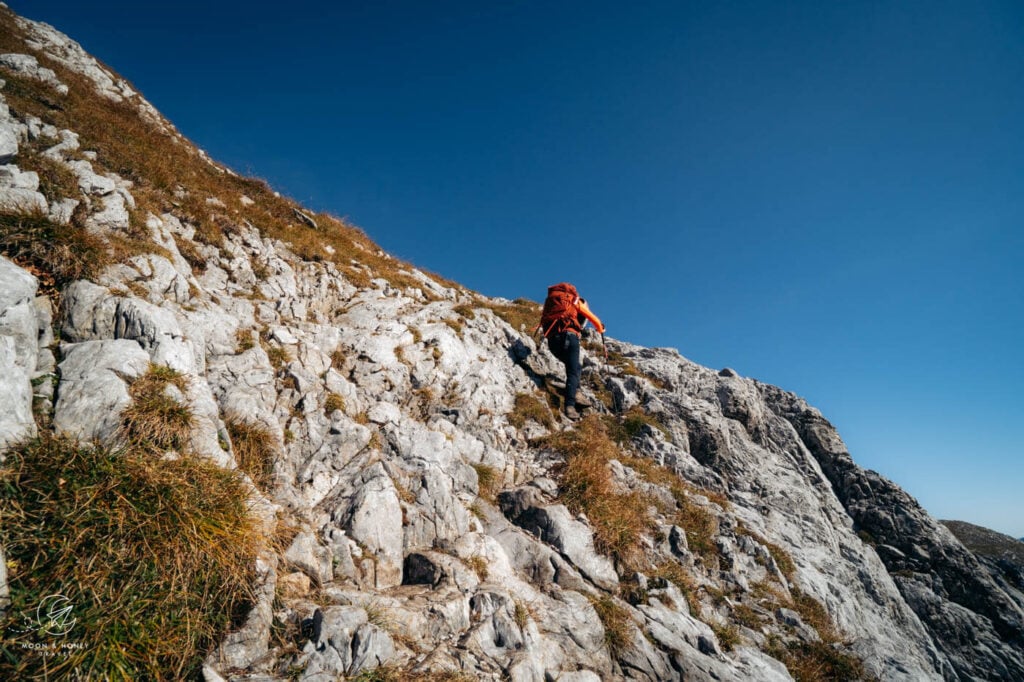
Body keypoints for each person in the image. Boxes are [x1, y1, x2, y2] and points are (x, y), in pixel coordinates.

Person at [536, 282, 605, 420]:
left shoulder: (552, 302)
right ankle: (570, 406)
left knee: (574, 367)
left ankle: (576, 392)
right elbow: (591, 317)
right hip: (569, 337)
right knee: (573, 371)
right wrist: (601, 328)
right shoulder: (576, 301)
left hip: (552, 341)